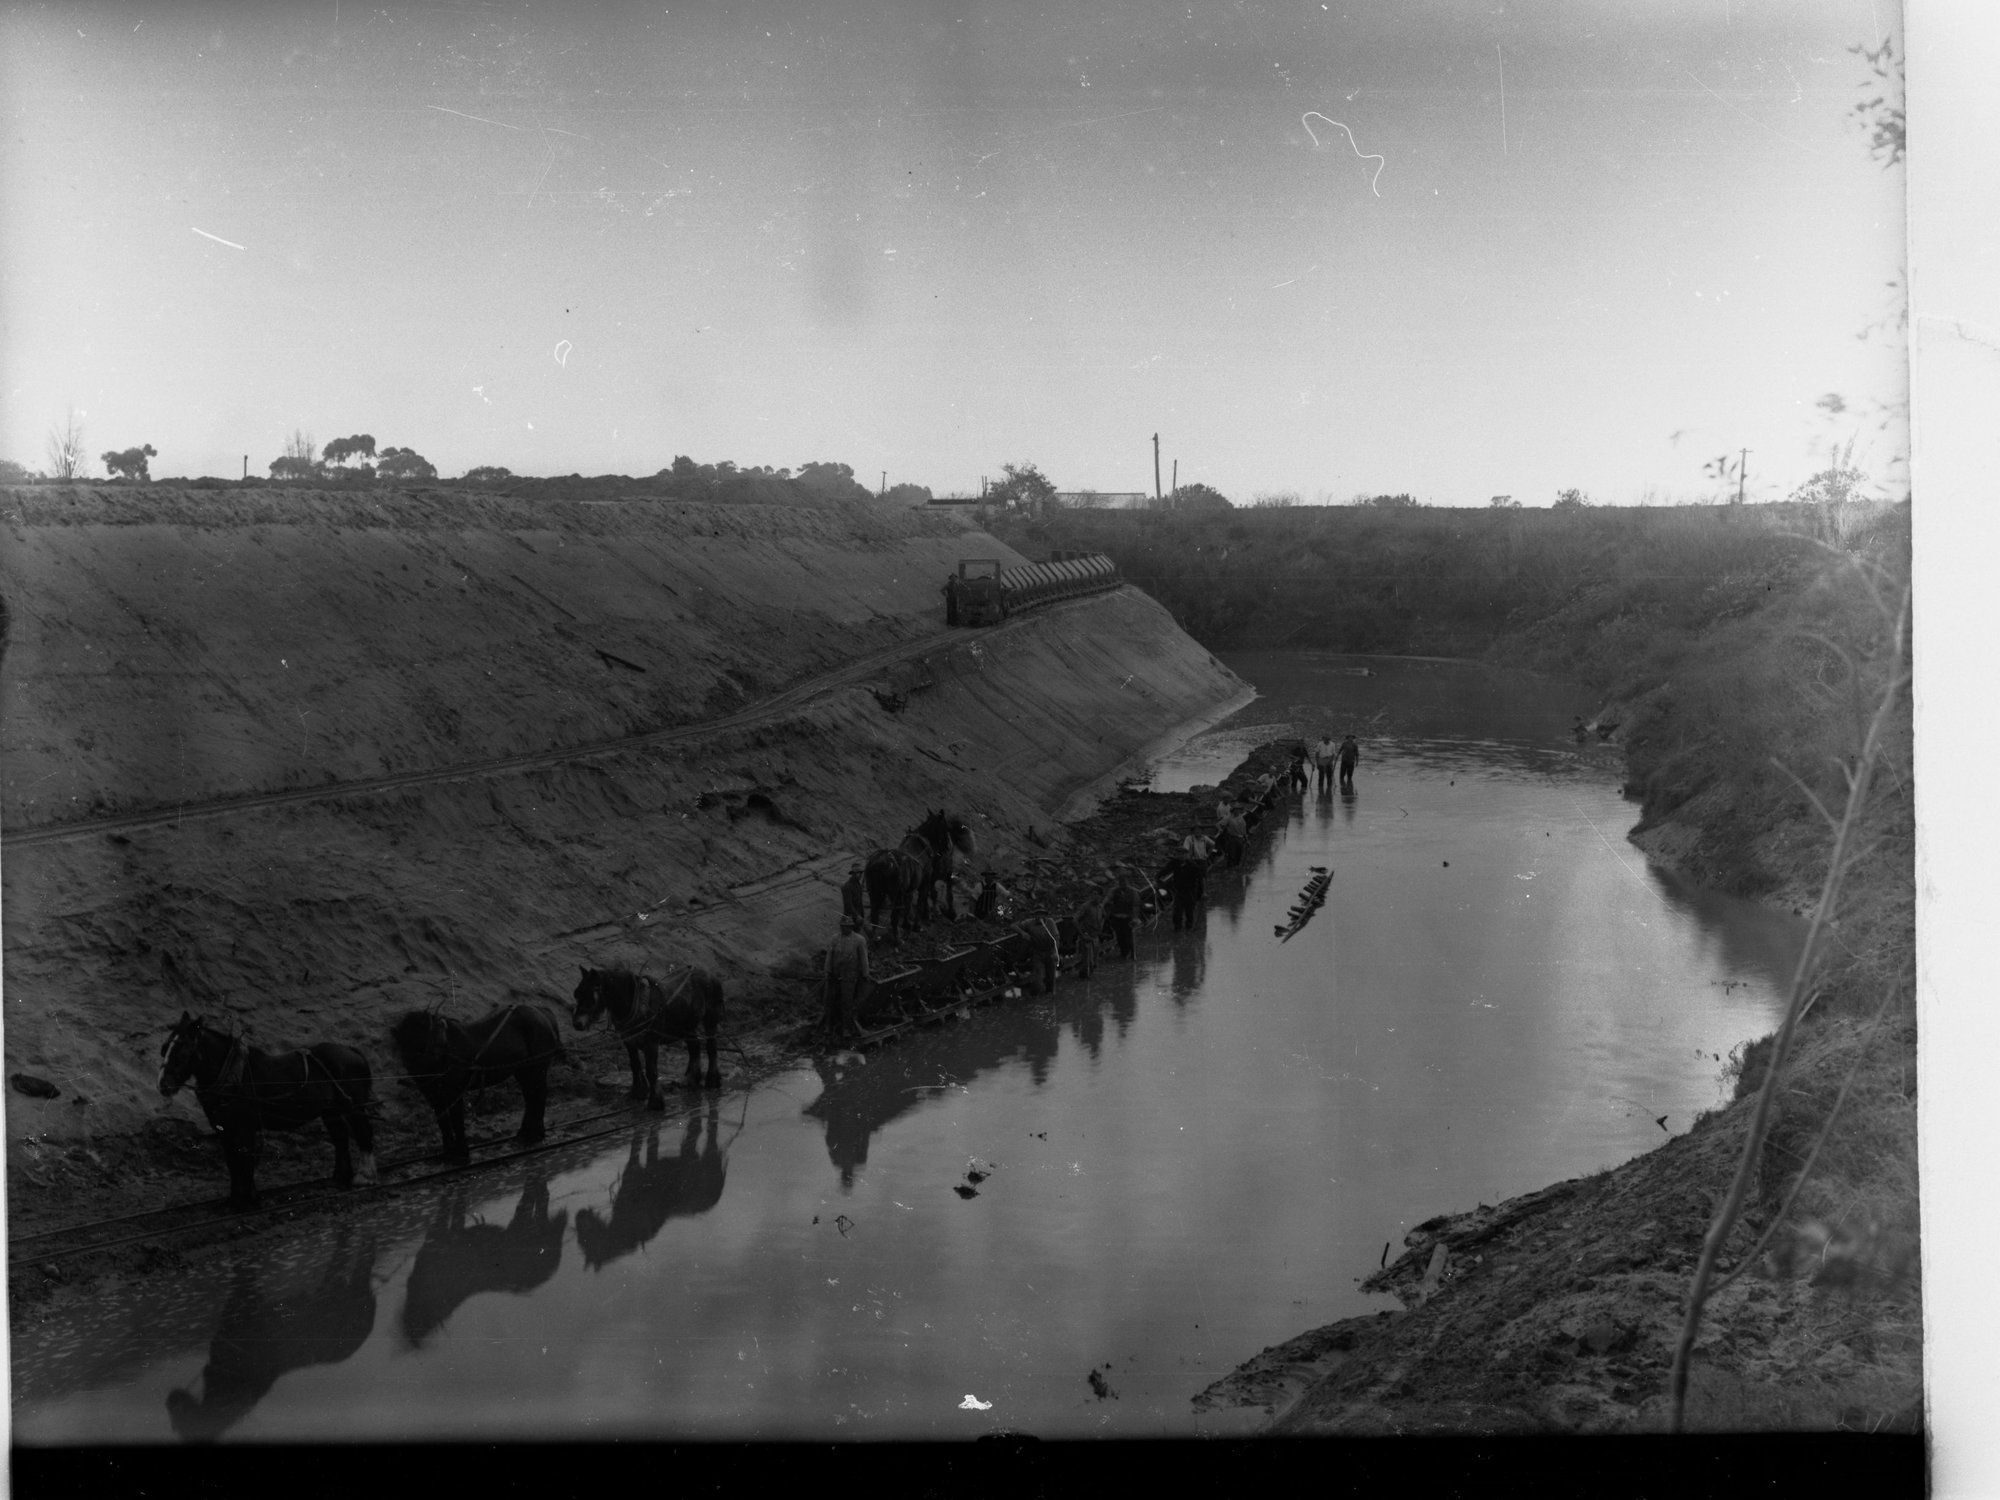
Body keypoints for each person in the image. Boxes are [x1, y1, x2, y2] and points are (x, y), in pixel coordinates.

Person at [823, 916, 870, 1037]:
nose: (843, 929)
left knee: (847, 1002)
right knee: (829, 1000)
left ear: (851, 927)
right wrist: (827, 971)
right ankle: (828, 1026)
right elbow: (829, 956)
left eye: (846, 927)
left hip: (850, 976)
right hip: (834, 975)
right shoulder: (834, 939)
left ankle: (846, 1029)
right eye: (842, 927)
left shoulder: (859, 940)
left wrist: (865, 974)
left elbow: (864, 958)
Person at [1106, 871, 1138, 959]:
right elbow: (1108, 899)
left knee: (1128, 936)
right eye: (1121, 882)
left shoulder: (1132, 892)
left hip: (1127, 918)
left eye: (1124, 882)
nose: (1123, 884)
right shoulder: (1114, 891)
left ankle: (1131, 953)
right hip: (1116, 918)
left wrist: (1134, 918)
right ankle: (1123, 953)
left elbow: (1135, 906)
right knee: (1120, 937)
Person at [1168, 856, 1205, 931]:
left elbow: (1200, 879)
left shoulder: (1193, 866)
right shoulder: (1175, 863)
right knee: (1178, 911)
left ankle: (1189, 926)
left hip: (1190, 891)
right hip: (1179, 891)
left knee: (1189, 911)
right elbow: (1165, 870)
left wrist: (1200, 893)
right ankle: (1178, 927)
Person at [840, 863, 868, 931]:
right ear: (853, 874)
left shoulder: (858, 885)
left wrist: (861, 915)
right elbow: (848, 904)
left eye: (861, 873)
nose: (860, 875)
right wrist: (857, 916)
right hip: (850, 918)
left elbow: (860, 902)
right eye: (858, 873)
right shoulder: (847, 886)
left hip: (858, 917)